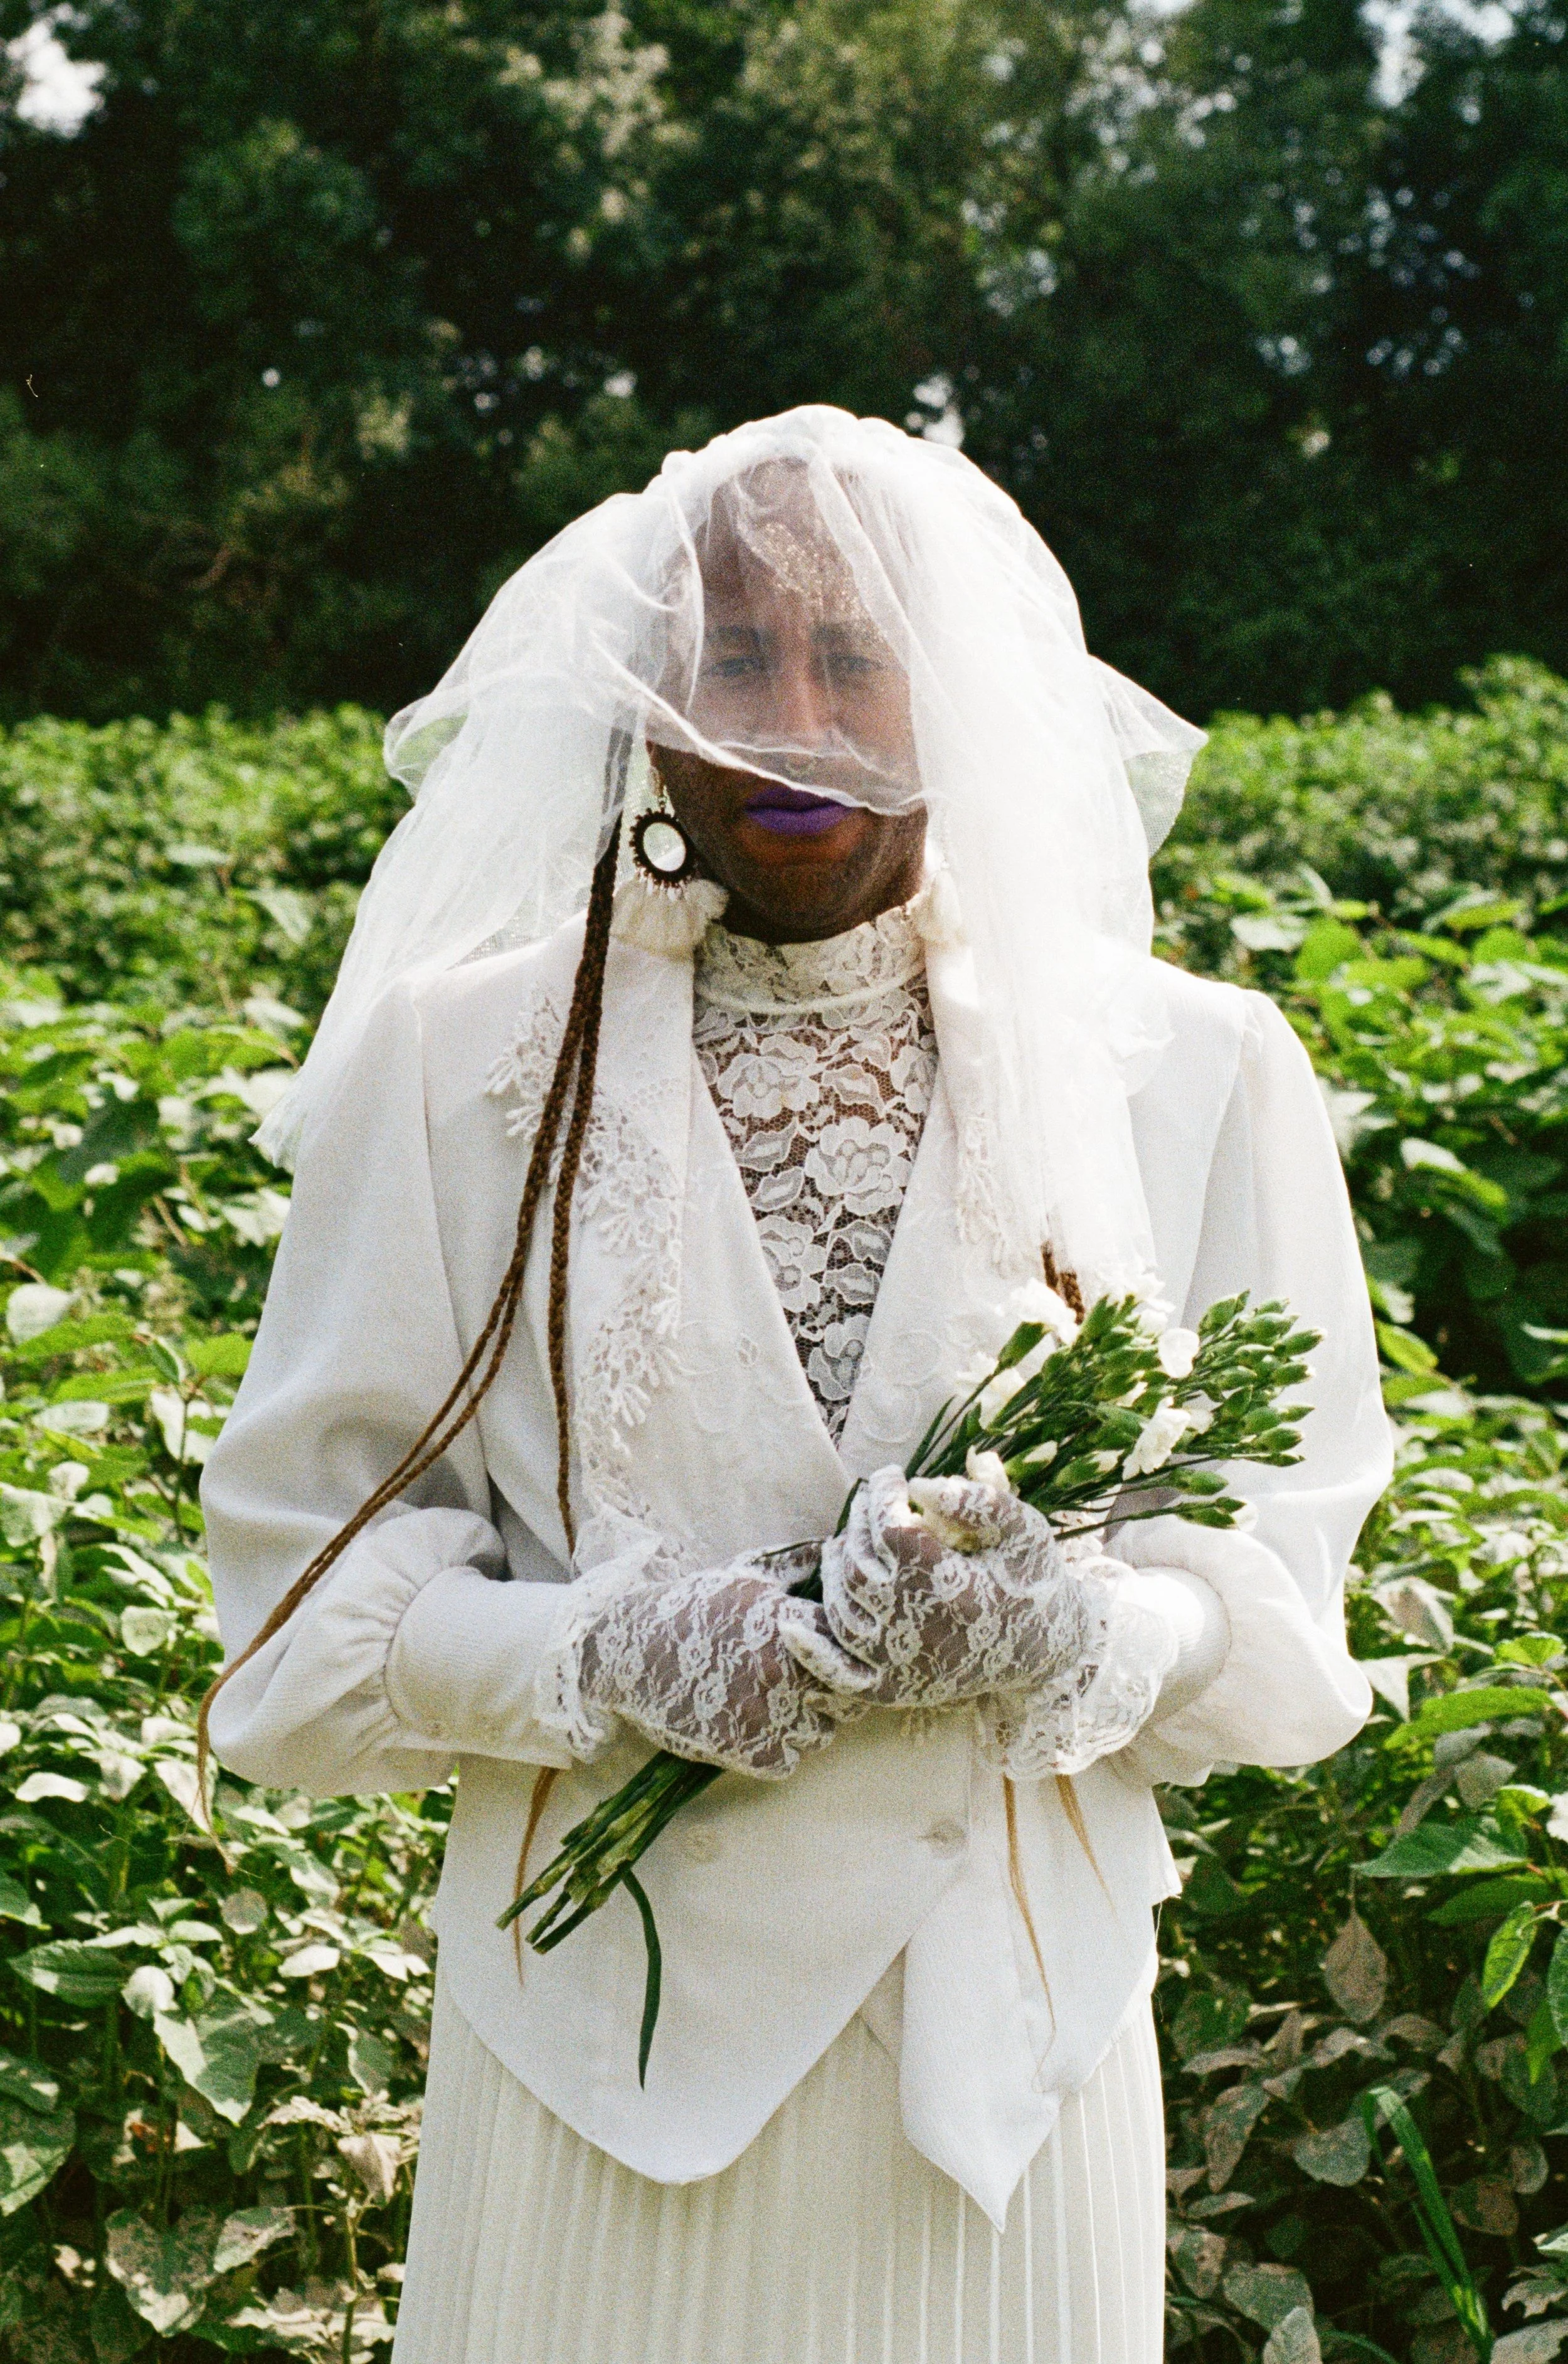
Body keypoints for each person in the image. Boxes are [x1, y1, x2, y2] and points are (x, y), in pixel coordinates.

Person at [199, 408, 1390, 2364]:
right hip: (591, 2055)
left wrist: (1080, 1628)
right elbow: (292, 1628)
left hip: (997, 2083)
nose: (791, 725)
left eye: (857, 656)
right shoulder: (456, 1068)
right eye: (733, 656)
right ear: (634, 694)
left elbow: (1277, 1618)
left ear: (972, 699)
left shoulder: (1189, 1069)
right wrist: (592, 1659)